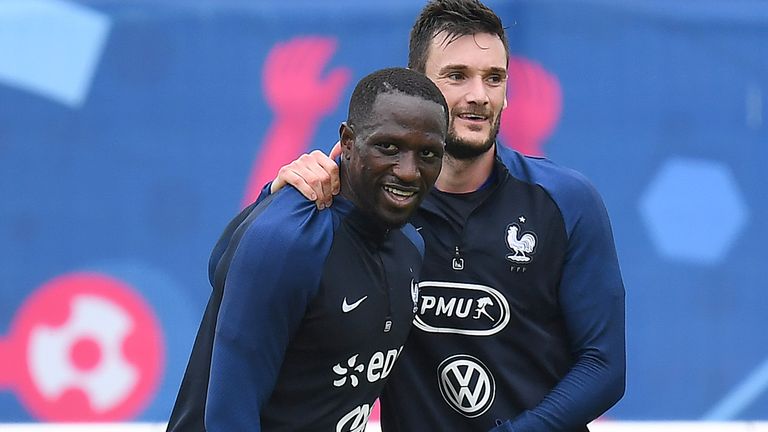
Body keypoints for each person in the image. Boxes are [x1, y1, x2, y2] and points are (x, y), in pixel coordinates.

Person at [263, 1, 626, 431]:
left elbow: (604, 366)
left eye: (494, 78)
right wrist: (278, 197)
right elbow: (236, 274)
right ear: (419, 89)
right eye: (457, 76)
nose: (479, 95)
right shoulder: (367, 200)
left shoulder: (566, 201)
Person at [165, 67, 449, 431]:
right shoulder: (287, 240)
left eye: (427, 153)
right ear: (347, 141)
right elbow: (228, 417)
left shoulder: (411, 246)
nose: (409, 171)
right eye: (388, 147)